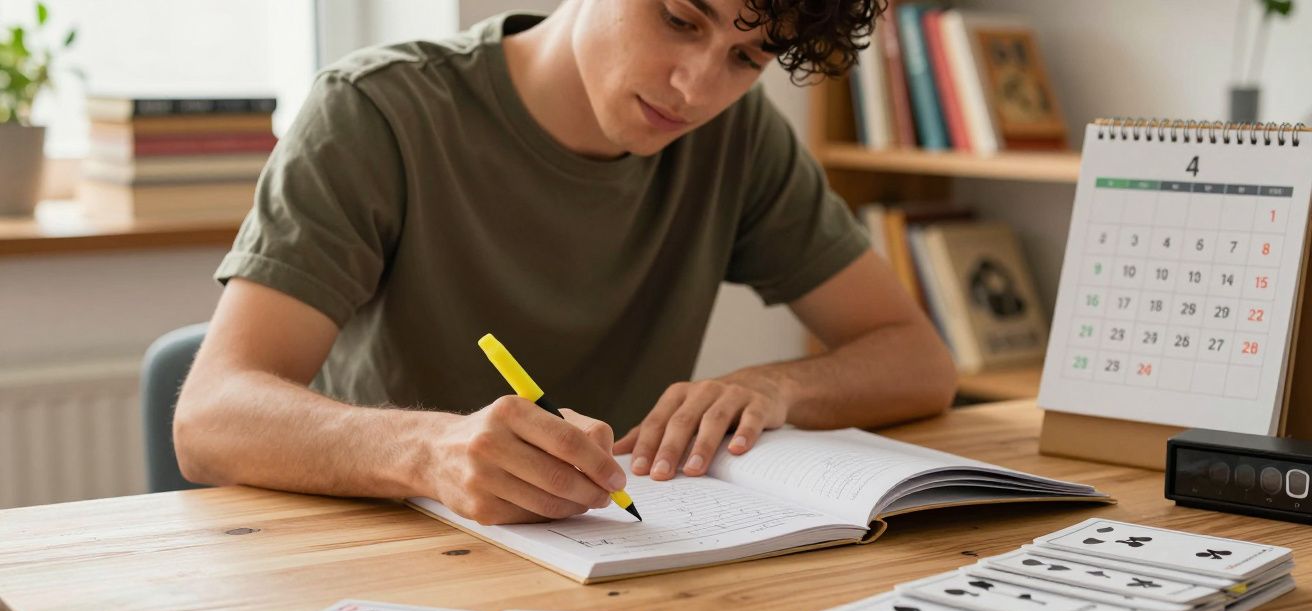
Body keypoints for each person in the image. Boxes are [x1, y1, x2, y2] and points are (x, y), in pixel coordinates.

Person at [174, 0, 956, 525]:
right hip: (391, 557)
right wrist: (427, 453)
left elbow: (919, 361)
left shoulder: (739, 139)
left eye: (747, 58)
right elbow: (210, 418)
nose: (697, 88)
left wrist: (775, 385)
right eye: (681, 18)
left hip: (619, 557)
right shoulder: (376, 112)